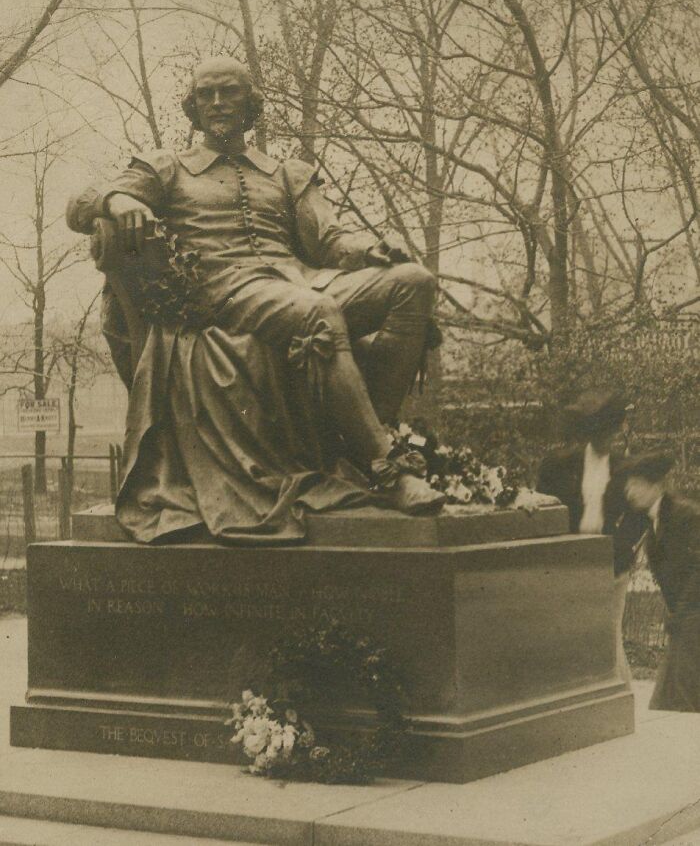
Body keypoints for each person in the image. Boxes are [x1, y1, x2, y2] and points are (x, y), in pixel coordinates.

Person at [66, 57, 444, 544]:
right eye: (207, 94)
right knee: (317, 313)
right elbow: (79, 205)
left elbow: (330, 240)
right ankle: (389, 470)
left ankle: (367, 438)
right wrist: (120, 201)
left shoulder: (288, 173)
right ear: (193, 108)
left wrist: (371, 250)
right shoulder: (167, 168)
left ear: (252, 106)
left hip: (300, 279)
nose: (218, 103)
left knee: (412, 282)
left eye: (230, 92)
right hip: (221, 289)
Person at [537, 389, 644, 684]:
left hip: (612, 563)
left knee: (608, 635)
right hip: (570, 561)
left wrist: (621, 548)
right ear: (588, 432)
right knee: (572, 634)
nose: (607, 439)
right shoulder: (559, 465)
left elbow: (639, 514)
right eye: (601, 432)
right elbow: (544, 508)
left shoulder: (624, 467)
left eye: (611, 431)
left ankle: (620, 699)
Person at [622, 451, 700, 711]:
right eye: (628, 484)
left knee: (679, 696)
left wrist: (682, 614)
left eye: (636, 485)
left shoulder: (685, 515)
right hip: (684, 620)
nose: (629, 491)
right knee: (673, 696)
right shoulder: (653, 519)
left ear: (655, 486)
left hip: (692, 618)